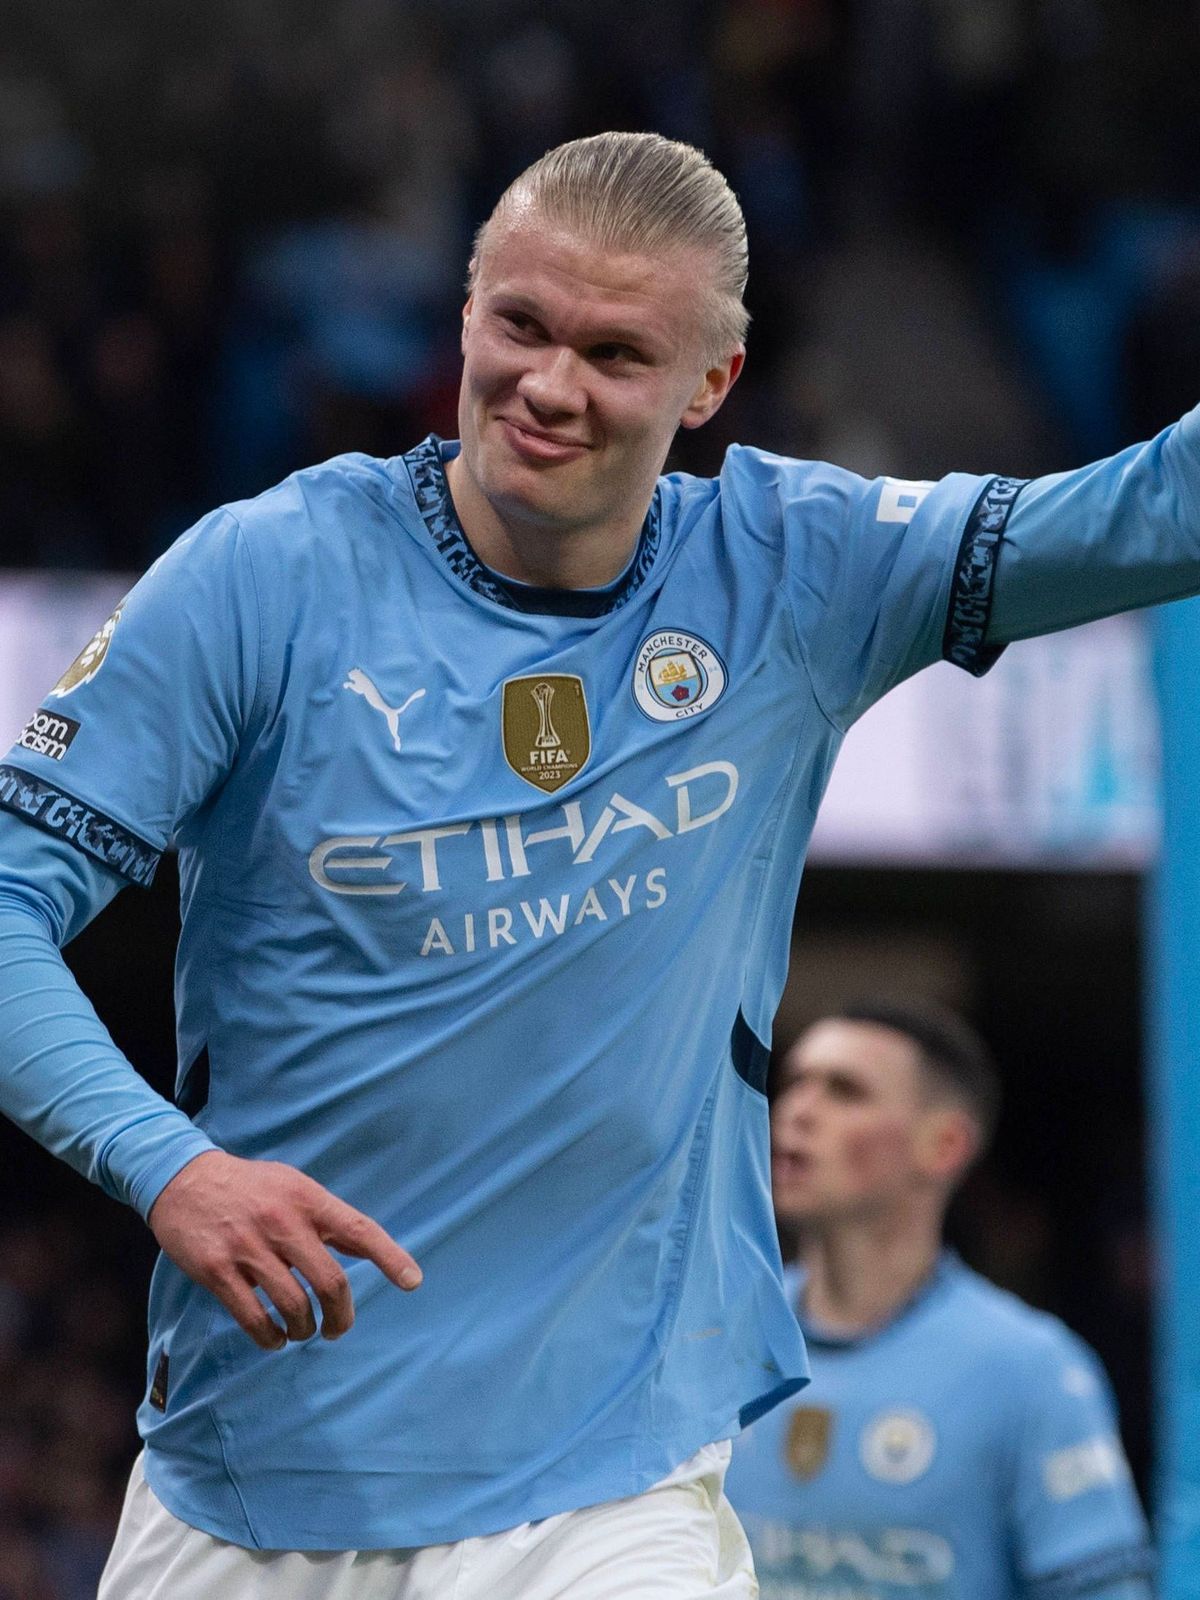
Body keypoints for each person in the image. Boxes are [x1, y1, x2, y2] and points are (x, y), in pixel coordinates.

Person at [0, 129, 1195, 1598]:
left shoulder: (799, 571)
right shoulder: (266, 577)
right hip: (259, 1481)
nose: (550, 388)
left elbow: (1152, 510)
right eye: (520, 326)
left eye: (619, 354)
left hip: (609, 1493)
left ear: (709, 384)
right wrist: (170, 1169)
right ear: (467, 310)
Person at [725, 1002, 1154, 1600]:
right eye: (793, 1083)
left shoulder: (1030, 1368)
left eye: (845, 1091)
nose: (797, 1111)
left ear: (945, 1144)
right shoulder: (712, 1341)